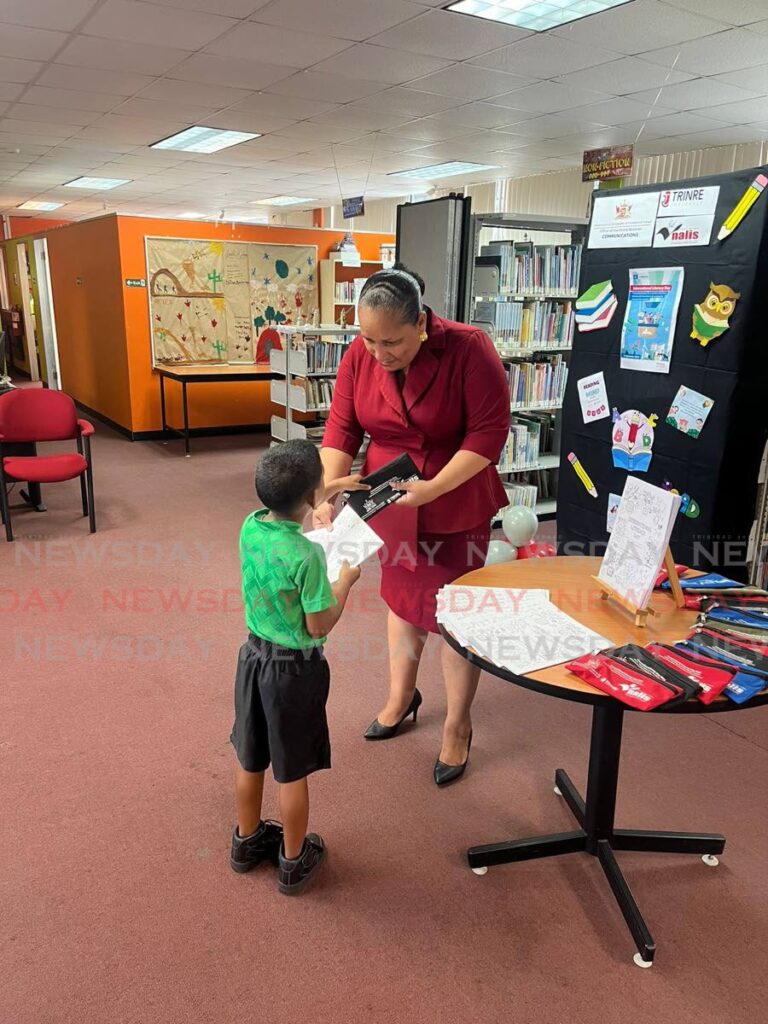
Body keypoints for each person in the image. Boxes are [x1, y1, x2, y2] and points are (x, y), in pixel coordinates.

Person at [315, 264, 510, 786]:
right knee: (402, 600)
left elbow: (489, 434)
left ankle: (457, 724)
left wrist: (434, 487)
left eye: (392, 342)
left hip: (454, 497)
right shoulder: (361, 353)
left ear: (422, 322)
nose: (379, 353)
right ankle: (402, 697)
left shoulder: (470, 348)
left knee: (454, 615)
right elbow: (342, 425)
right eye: (368, 339)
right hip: (389, 497)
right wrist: (329, 490)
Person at [229, 440, 360, 894]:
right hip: (293, 671)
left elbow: (298, 499)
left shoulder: (250, 526)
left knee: (250, 756)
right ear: (310, 498)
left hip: (253, 658)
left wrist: (335, 485)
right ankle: (292, 857)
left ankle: (245, 842)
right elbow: (319, 621)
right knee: (291, 768)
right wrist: (344, 582)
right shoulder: (309, 557)